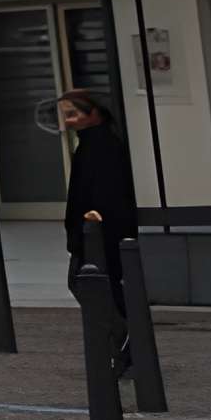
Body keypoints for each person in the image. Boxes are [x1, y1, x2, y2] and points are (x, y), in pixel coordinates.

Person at [61, 88, 141, 369]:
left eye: (73, 114)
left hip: (99, 232)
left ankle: (125, 339)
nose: (68, 121)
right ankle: (123, 340)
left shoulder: (102, 146)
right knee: (94, 285)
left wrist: (88, 227)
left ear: (93, 114)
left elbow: (102, 194)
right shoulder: (93, 144)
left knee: (92, 285)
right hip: (93, 230)